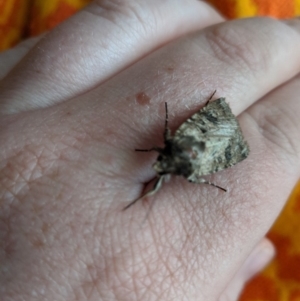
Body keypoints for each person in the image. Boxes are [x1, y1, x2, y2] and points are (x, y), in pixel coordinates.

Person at [0, 1, 299, 300]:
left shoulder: (175, 158)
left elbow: (173, 148)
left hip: (208, 148)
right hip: (207, 146)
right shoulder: (177, 159)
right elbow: (174, 149)